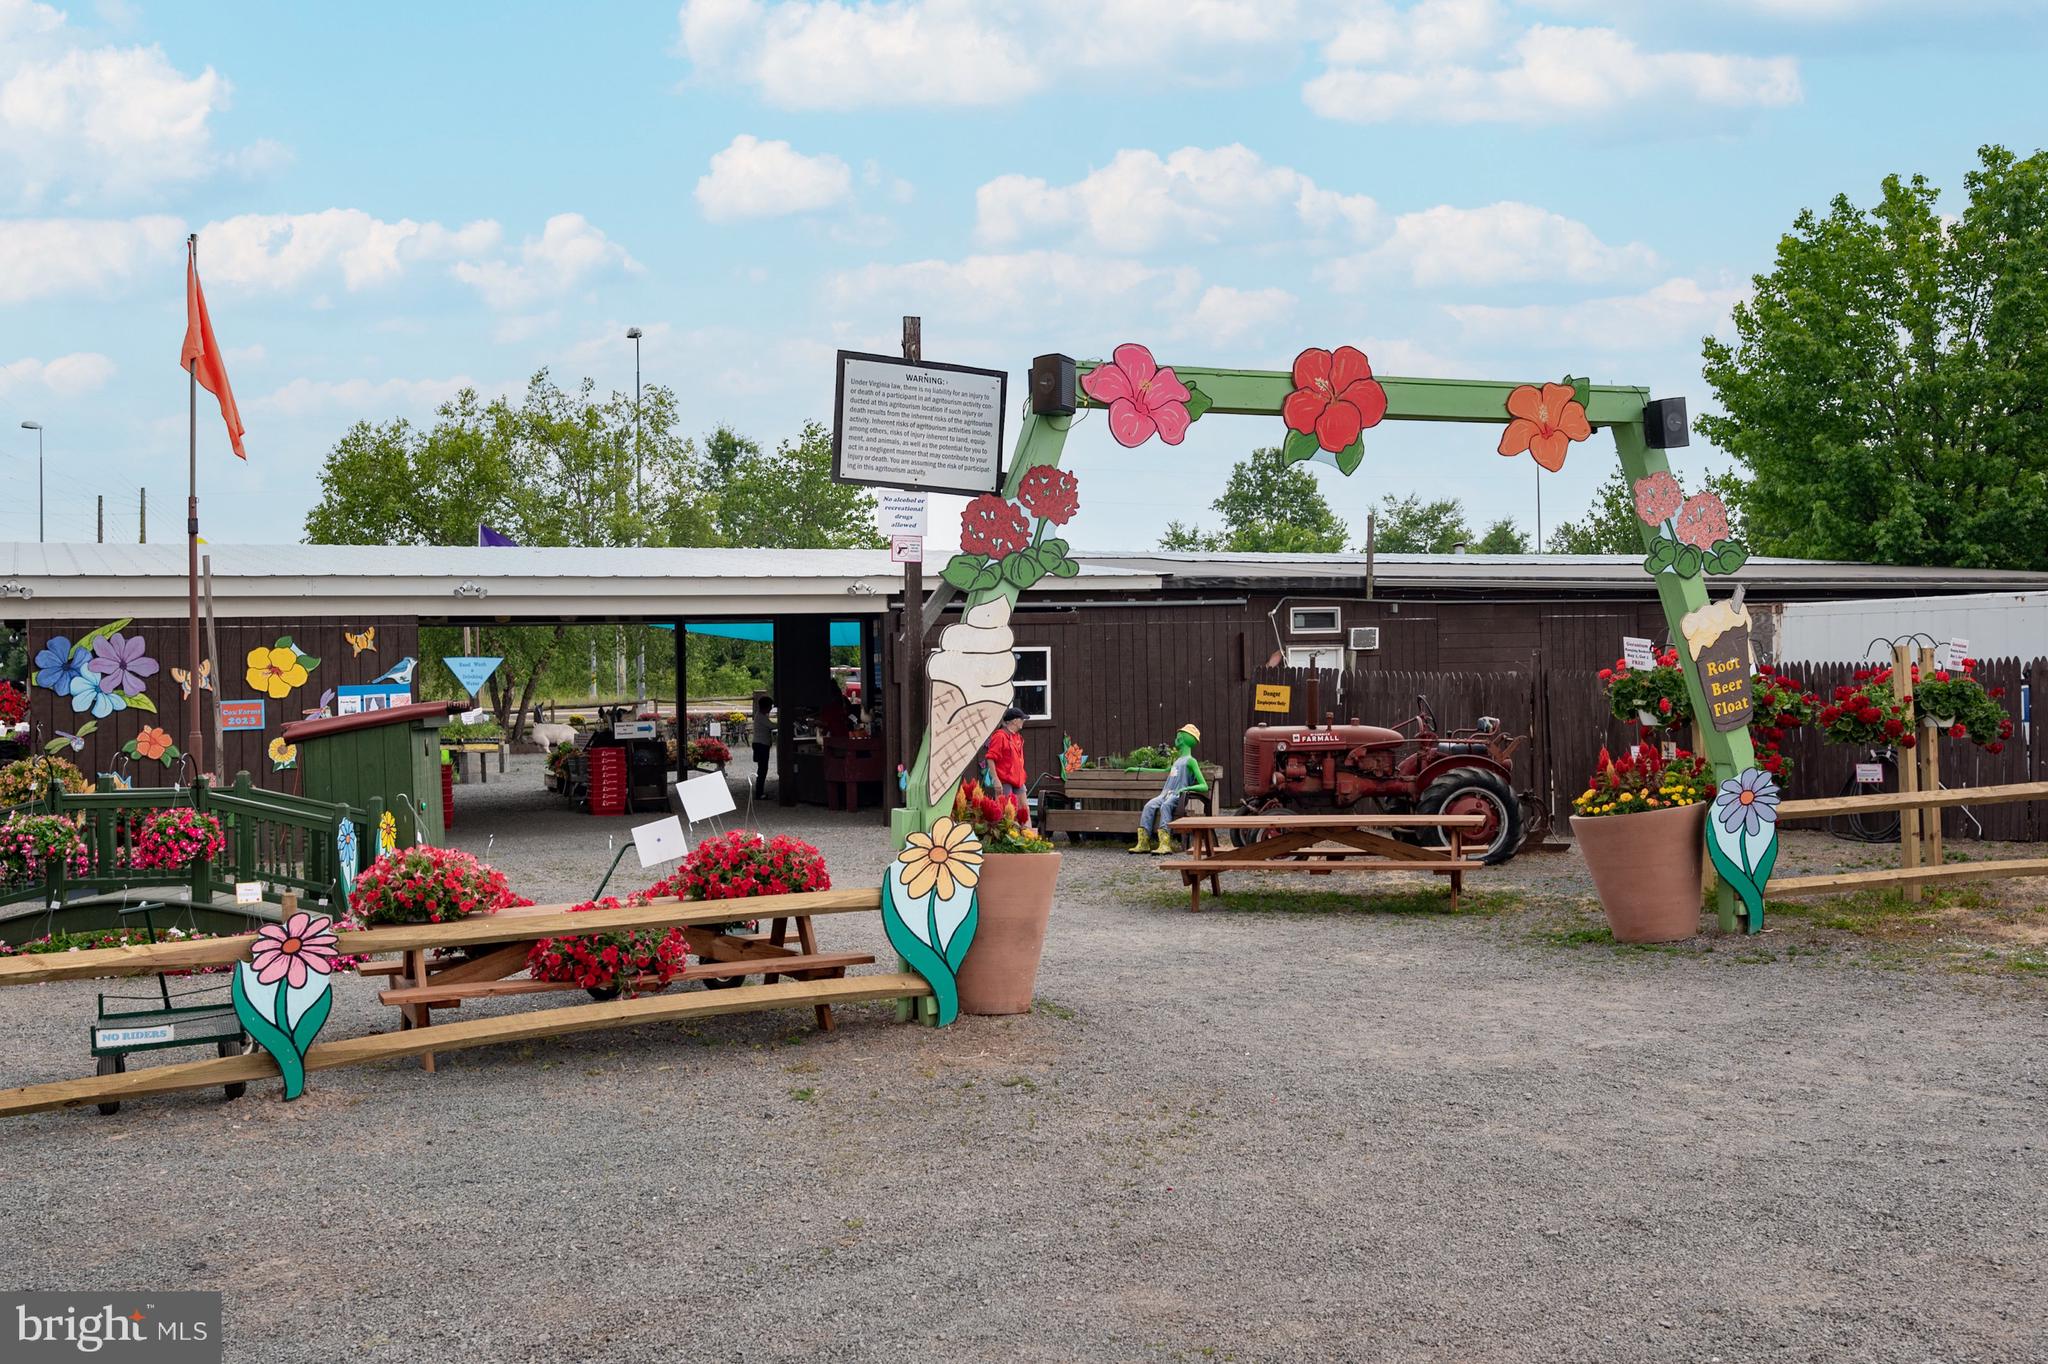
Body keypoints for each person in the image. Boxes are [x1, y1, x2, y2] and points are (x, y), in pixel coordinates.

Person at [1130, 723, 1207, 855]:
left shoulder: (1190, 761)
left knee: (1165, 806)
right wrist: (1138, 769)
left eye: (1178, 736)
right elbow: (1162, 771)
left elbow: (1204, 786)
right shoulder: (1176, 761)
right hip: (1164, 794)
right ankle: (1143, 842)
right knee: (1149, 806)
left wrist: (1186, 788)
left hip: (1177, 796)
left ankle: (1165, 844)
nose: (1176, 739)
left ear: (1182, 739)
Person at [984, 706, 1031, 824]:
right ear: (1015, 721)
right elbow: (990, 758)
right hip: (1004, 780)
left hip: (1018, 779)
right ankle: (1009, 838)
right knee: (1006, 811)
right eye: (1022, 719)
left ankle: (1028, 836)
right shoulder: (1000, 736)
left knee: (1024, 809)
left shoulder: (1017, 737)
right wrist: (996, 780)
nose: (1023, 721)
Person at [750, 691, 775, 799]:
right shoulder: (761, 717)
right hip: (761, 745)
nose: (770, 709)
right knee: (762, 769)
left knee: (762, 768)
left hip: (759, 744)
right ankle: (759, 793)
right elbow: (772, 725)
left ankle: (759, 791)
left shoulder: (760, 715)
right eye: (770, 706)